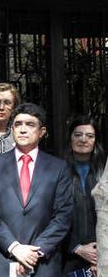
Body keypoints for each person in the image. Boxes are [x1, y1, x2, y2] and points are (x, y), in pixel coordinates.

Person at [0, 103, 73, 277]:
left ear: (42, 132)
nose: (23, 129)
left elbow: (63, 216)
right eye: (18, 124)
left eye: (30, 124)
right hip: (2, 260)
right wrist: (15, 247)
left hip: (43, 263)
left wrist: (34, 253)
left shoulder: (58, 168)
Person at [64, 115, 105, 275]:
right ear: (70, 138)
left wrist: (100, 254)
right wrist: (77, 248)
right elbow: (50, 215)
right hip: (67, 257)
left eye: (89, 135)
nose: (83, 139)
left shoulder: (104, 171)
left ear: (96, 141)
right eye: (77, 134)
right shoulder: (57, 171)